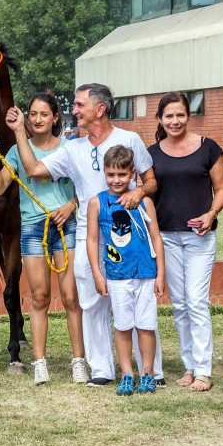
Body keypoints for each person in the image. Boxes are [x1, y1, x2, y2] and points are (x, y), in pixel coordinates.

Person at [8, 82, 166, 388]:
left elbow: (151, 181)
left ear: (100, 109)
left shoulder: (129, 139)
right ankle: (102, 369)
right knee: (92, 302)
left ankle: (151, 372)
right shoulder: (73, 148)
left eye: (80, 105)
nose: (74, 110)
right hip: (87, 236)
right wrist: (18, 130)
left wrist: (139, 193)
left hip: (129, 237)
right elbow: (34, 169)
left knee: (136, 303)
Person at [0, 91, 87, 385]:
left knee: (70, 297)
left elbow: (88, 187)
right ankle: (39, 362)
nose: (38, 119)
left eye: (44, 114)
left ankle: (78, 361)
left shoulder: (70, 148)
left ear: (56, 117)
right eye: (33, 114)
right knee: (40, 296)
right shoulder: (19, 149)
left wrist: (71, 204)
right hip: (32, 228)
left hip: (65, 226)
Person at [149, 91, 223, 392]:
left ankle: (204, 370)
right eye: (168, 116)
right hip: (166, 237)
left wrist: (210, 214)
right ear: (160, 119)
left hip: (199, 237)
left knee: (196, 302)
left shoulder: (208, 148)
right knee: (180, 305)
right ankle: (189, 366)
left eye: (180, 114)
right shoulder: (151, 153)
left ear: (188, 116)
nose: (175, 120)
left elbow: (221, 190)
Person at [87, 145, 165, 396]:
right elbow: (91, 241)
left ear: (132, 173)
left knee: (146, 325)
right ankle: (127, 375)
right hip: (117, 276)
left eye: (122, 174)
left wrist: (160, 274)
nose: (116, 180)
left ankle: (148, 373)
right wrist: (98, 275)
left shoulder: (145, 202)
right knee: (122, 326)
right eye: (111, 174)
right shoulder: (97, 203)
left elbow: (156, 238)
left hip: (145, 274)